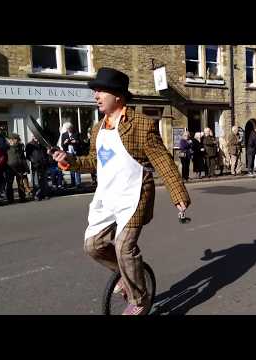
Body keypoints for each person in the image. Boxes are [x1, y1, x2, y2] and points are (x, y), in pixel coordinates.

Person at [51, 67, 191, 315]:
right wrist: (69, 160)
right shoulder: (98, 128)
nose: (95, 95)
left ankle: (139, 300)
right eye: (95, 90)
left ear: (118, 95)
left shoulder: (141, 124)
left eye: (100, 90)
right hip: (108, 194)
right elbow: (94, 161)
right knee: (92, 246)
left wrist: (178, 195)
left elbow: (163, 162)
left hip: (135, 193)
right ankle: (127, 274)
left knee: (124, 247)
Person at [5, 133, 29, 204]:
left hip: (20, 168)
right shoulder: (6, 147)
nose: (16, 141)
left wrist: (26, 168)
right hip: (10, 168)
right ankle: (10, 199)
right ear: (10, 140)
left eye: (17, 139)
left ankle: (22, 197)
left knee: (21, 183)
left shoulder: (20, 147)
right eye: (14, 139)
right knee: (9, 184)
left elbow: (23, 158)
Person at [25, 135, 50, 201]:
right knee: (36, 181)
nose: (36, 137)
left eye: (37, 136)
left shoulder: (43, 144)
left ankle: (45, 194)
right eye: (34, 136)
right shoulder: (29, 145)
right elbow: (28, 156)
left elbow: (46, 154)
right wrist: (34, 161)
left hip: (43, 164)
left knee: (44, 180)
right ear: (32, 136)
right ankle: (37, 195)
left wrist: (46, 159)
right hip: (35, 165)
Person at [61, 122, 82, 188]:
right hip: (68, 153)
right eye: (67, 129)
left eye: (70, 128)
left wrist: (76, 142)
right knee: (71, 168)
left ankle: (78, 183)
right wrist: (65, 142)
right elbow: (62, 145)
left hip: (75, 152)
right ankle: (73, 182)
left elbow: (81, 142)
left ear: (71, 128)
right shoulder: (64, 135)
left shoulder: (76, 133)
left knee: (77, 167)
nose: (69, 130)